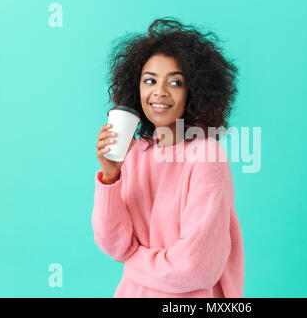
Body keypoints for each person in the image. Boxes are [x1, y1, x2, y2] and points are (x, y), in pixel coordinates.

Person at [92, 17, 244, 298]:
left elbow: (197, 268)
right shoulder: (134, 152)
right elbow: (114, 246)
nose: (159, 92)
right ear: (136, 89)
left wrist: (132, 262)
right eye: (150, 80)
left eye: (175, 82)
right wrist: (111, 177)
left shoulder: (206, 154)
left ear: (193, 92)